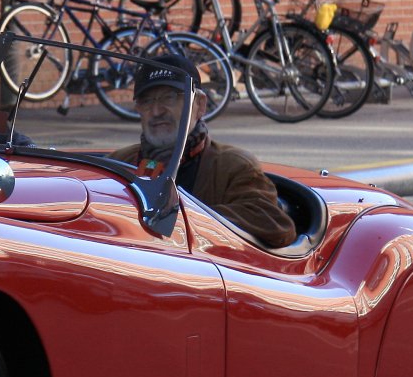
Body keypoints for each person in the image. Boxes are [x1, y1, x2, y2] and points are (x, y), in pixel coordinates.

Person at [110, 56, 297, 247]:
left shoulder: (233, 166)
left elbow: (275, 225)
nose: (156, 111)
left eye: (169, 97)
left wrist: (180, 217)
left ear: (199, 105)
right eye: (147, 101)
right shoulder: (117, 163)